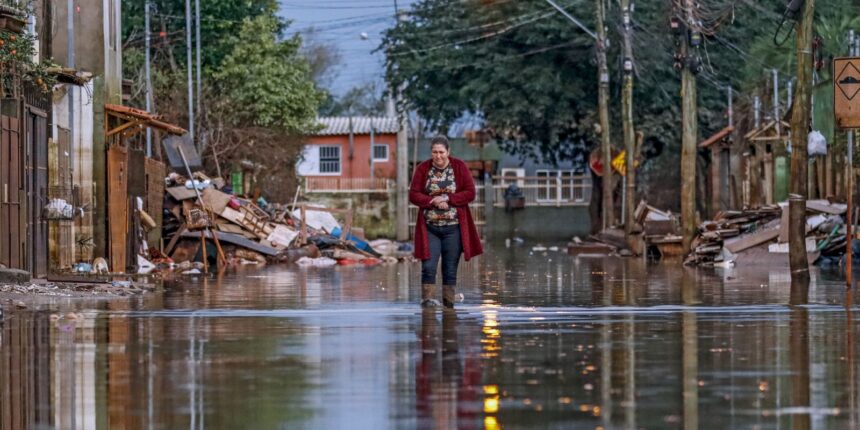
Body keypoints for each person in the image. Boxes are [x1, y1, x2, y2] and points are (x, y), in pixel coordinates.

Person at [409, 136, 483, 308]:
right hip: (430, 228)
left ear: (448, 152)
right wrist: (432, 200)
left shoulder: (459, 167)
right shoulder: (423, 169)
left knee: (450, 269)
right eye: (434, 152)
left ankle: (449, 306)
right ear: (431, 153)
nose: (438, 156)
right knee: (429, 266)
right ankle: (428, 303)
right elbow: (413, 194)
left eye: (441, 152)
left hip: (453, 228)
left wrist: (448, 199)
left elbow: (470, 193)